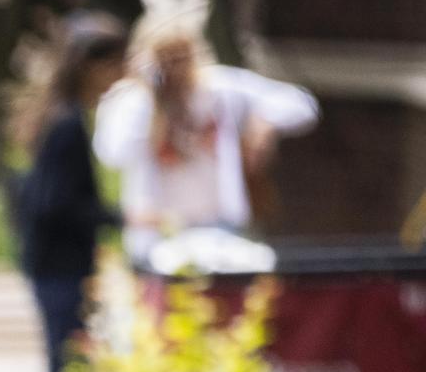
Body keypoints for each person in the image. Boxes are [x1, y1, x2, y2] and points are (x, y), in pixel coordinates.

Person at [93, 23, 319, 263]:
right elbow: (113, 153)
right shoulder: (134, 102)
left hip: (219, 227)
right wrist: (150, 98)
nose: (174, 69)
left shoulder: (219, 88)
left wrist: (264, 122)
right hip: (158, 233)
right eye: (164, 60)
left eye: (180, 58)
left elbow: (302, 105)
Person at [16, 13, 129, 372]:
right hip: (59, 269)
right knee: (69, 369)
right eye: (114, 66)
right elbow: (56, 204)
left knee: (72, 367)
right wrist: (117, 217)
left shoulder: (62, 118)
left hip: (55, 266)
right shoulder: (66, 125)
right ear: (91, 66)